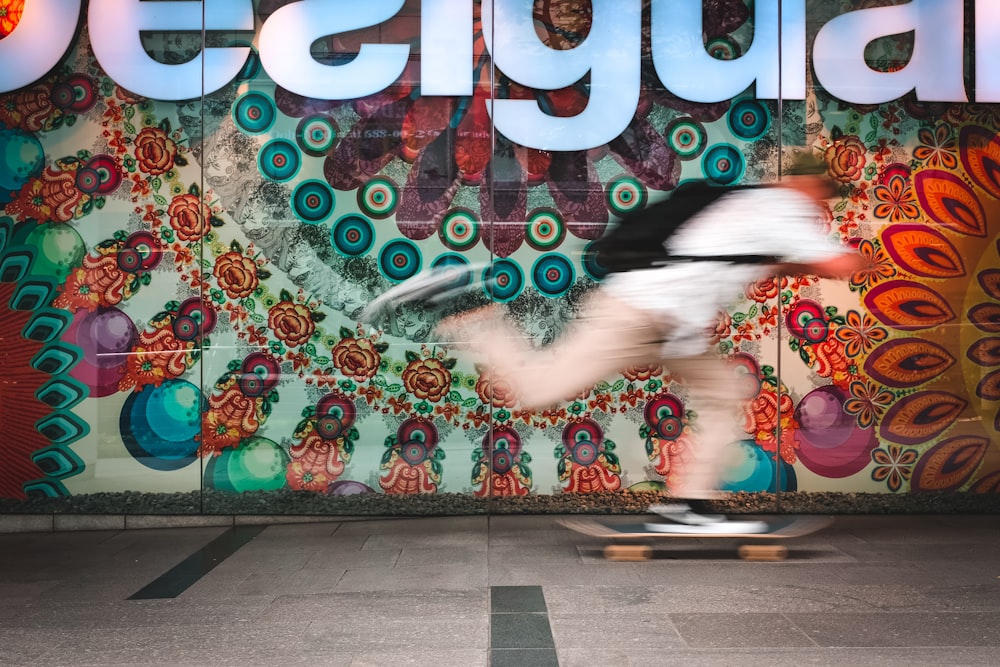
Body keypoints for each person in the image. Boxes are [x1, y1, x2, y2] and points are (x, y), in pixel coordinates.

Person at [363, 152, 864, 533]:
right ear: (807, 184)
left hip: (668, 323)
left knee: (722, 396)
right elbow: (838, 264)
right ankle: (465, 308)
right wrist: (869, 260)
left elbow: (771, 261)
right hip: (644, 313)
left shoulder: (752, 206)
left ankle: (690, 503)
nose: (824, 204)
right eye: (825, 194)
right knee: (539, 389)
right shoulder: (786, 208)